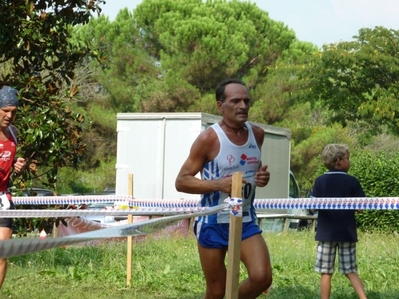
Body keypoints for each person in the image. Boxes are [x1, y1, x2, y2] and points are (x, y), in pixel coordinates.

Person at [175, 79, 272, 299]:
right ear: (221, 106)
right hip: (213, 222)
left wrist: (261, 177)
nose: (243, 106)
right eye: (235, 101)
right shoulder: (209, 138)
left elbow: (251, 167)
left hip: (244, 218)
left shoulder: (257, 134)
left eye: (247, 101)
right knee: (217, 290)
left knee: (262, 277)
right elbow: (182, 181)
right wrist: (220, 184)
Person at [311, 144, 367, 299]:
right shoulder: (352, 182)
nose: (349, 162)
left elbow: (312, 208)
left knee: (326, 271)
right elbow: (361, 208)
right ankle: (364, 298)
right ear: (339, 161)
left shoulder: (320, 181)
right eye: (348, 158)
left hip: (325, 234)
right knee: (350, 269)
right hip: (346, 233)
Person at [0, 85, 26, 288]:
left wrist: (17, 163)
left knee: (2, 255)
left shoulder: (14, 133)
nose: (9, 116)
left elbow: (8, 159)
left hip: (2, 198)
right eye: (5, 111)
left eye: (13, 112)